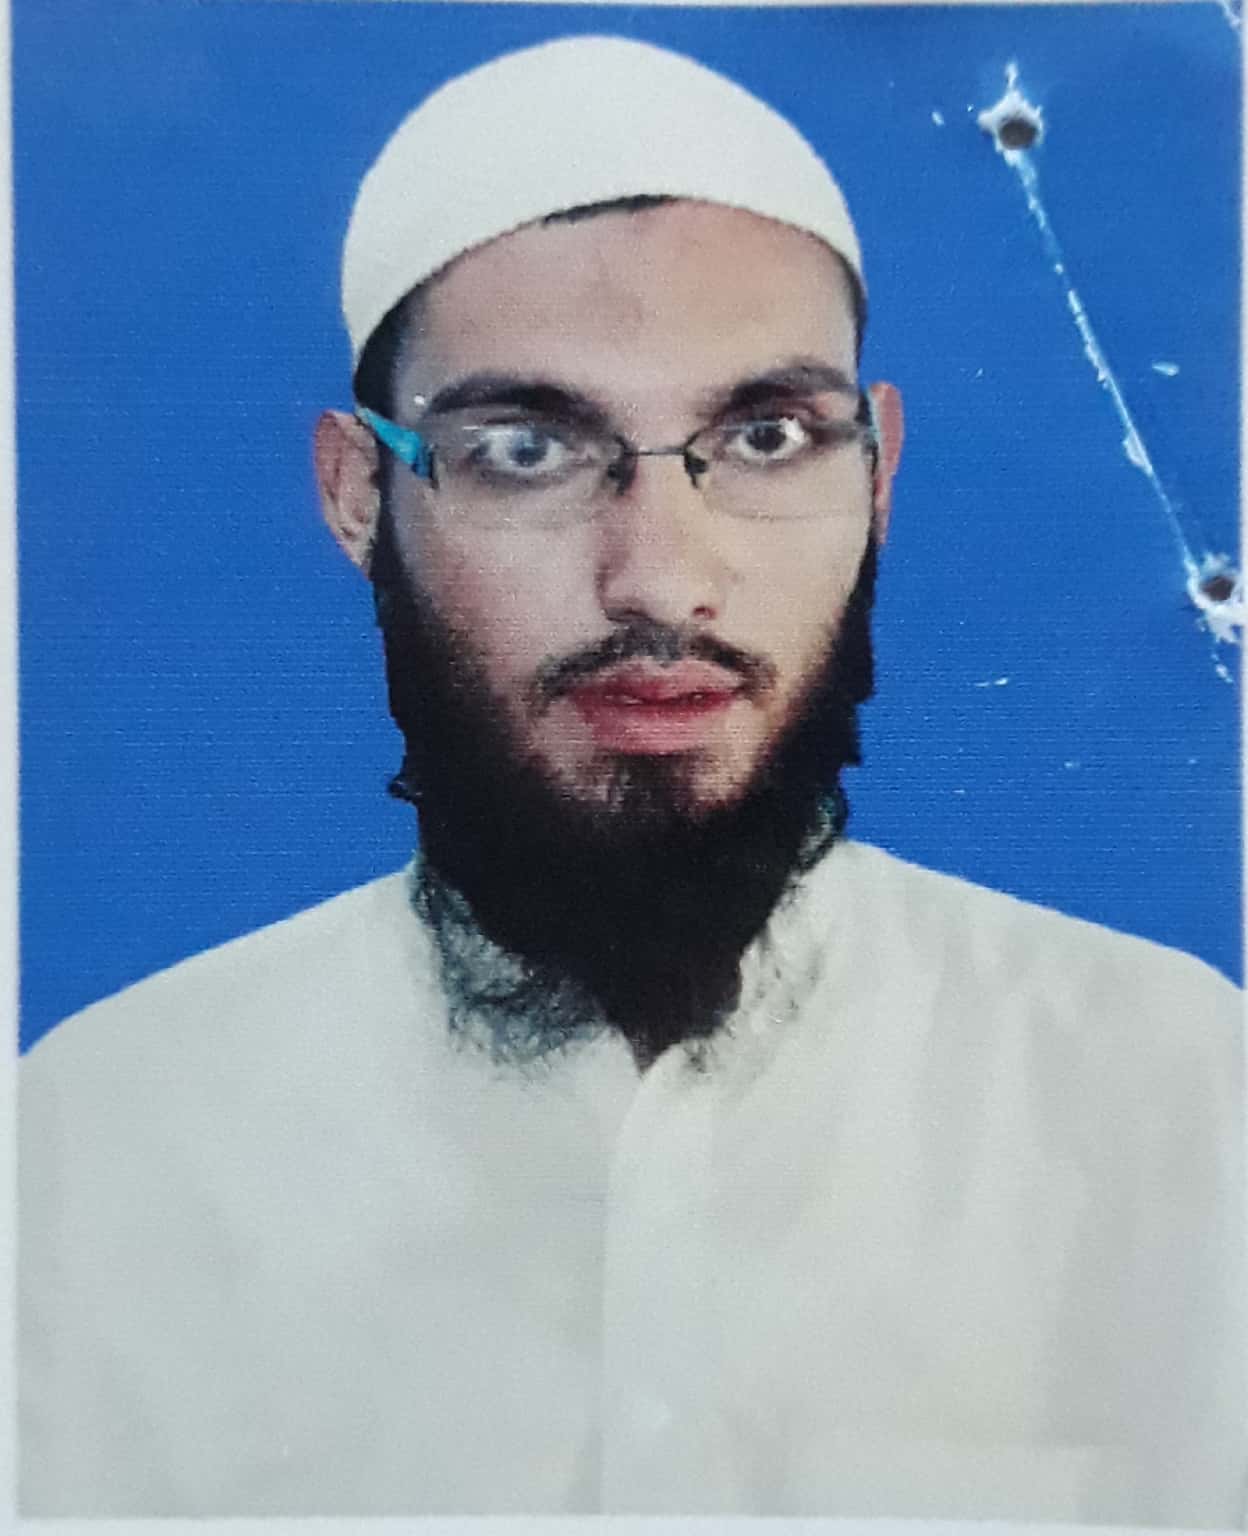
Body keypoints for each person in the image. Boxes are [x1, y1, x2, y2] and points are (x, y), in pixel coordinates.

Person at [19, 34, 1244, 1524]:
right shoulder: (92, 1147)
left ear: (877, 474)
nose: (660, 577)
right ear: (358, 493)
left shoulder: (1176, 1097)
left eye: (767, 436)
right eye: (527, 448)